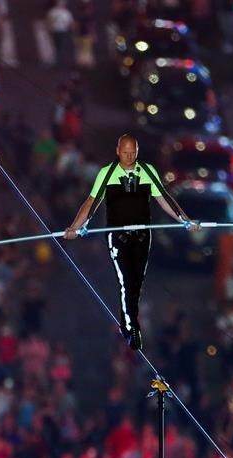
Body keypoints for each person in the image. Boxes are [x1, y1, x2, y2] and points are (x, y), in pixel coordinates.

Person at [63, 133, 199, 350]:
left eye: (133, 153)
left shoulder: (147, 172)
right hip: (118, 236)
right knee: (127, 280)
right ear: (117, 151)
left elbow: (164, 198)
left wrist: (185, 220)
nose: (129, 157)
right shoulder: (107, 174)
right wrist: (75, 228)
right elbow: (92, 202)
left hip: (143, 236)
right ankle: (131, 325)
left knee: (136, 280)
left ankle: (130, 321)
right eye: (125, 153)